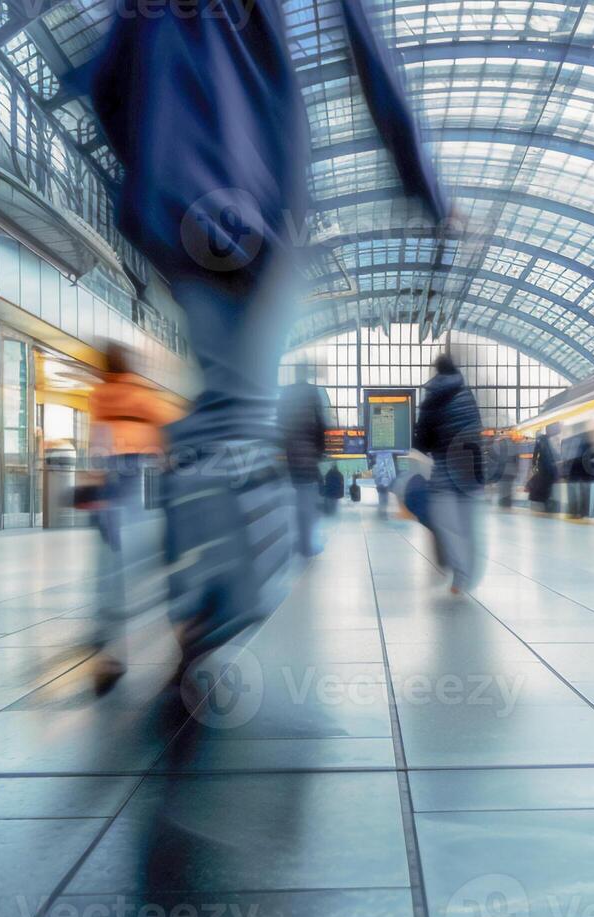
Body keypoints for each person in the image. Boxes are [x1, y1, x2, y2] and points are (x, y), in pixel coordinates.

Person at [89, 0, 446, 661]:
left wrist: (153, 173)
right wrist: (425, 185)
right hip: (250, 210)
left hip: (172, 210)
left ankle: (184, 579)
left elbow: (106, 85)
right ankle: (211, 601)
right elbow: (369, 55)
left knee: (228, 401)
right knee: (241, 412)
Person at [86, 343, 175, 691]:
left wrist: (93, 473)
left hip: (109, 463)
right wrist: (166, 456)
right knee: (130, 520)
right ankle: (127, 563)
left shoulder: (100, 393)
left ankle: (104, 617)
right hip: (136, 462)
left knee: (110, 533)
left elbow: (97, 435)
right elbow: (164, 424)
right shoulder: (139, 390)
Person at [414, 353, 485, 593]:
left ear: (437, 371)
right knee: (468, 527)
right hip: (470, 472)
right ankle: (467, 575)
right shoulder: (468, 395)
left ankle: (459, 573)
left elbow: (422, 441)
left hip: (445, 471)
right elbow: (477, 432)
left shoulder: (433, 398)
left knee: (446, 524)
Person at [278, 378, 331, 555]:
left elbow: (279, 425)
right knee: (307, 499)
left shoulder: (285, 395)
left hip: (289, 457)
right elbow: (321, 426)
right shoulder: (312, 393)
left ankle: (298, 541)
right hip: (308, 457)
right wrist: (320, 451)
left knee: (294, 501)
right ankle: (307, 544)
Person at [563, 426, 594, 519]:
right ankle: (579, 512)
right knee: (581, 492)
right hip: (578, 472)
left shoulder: (575, 441)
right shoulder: (587, 442)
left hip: (581, 472)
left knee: (579, 492)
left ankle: (580, 512)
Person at [527, 430, 558, 511]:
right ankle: (547, 503)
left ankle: (543, 502)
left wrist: (534, 465)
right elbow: (554, 454)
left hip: (543, 466)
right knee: (548, 486)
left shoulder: (539, 441)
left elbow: (535, 454)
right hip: (550, 467)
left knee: (543, 485)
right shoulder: (548, 440)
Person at [371, 450, 397, 519]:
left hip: (382, 485)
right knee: (384, 499)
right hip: (384, 485)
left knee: (383, 498)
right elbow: (390, 472)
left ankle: (382, 512)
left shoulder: (379, 457)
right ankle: (383, 512)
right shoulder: (388, 456)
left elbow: (377, 474)